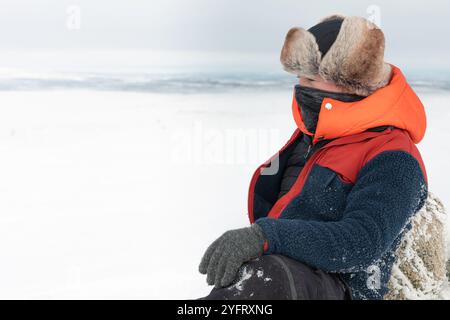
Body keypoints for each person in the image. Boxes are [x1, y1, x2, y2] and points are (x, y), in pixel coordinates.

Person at [198, 15, 429, 300]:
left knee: (268, 278)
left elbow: (362, 242)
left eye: (310, 79)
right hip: (283, 275)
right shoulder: (313, 138)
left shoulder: (394, 155)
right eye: (299, 78)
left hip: (342, 288)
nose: (300, 89)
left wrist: (266, 237)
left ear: (351, 83)